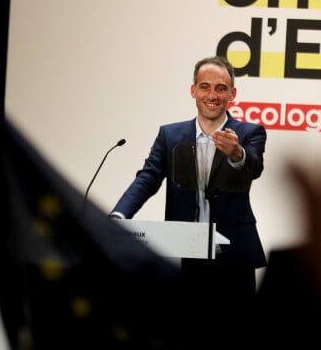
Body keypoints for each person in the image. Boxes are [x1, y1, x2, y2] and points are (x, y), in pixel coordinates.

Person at [109, 55, 267, 346]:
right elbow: (148, 177)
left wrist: (236, 153)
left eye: (221, 88)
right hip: (187, 254)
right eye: (205, 87)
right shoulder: (171, 135)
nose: (212, 95)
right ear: (193, 90)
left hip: (234, 257)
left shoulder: (248, 133)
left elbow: (253, 167)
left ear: (232, 94)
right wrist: (119, 215)